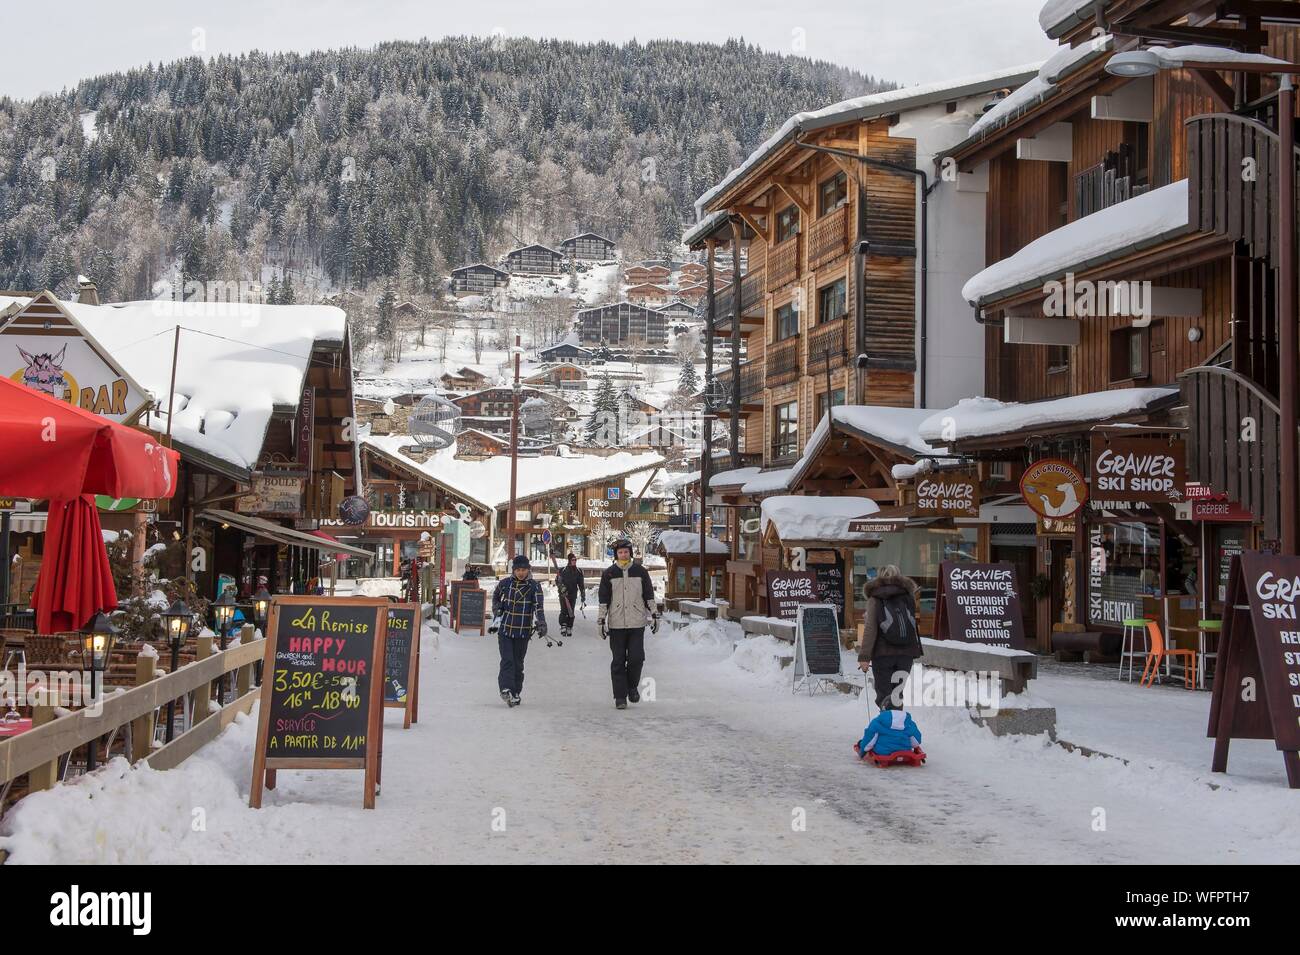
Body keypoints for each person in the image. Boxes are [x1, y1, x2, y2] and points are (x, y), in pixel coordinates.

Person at [597, 539, 658, 710]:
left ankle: (632, 687)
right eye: (620, 552)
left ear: (630, 553)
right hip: (616, 624)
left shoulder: (640, 572)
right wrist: (601, 621)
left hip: (637, 622)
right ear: (616, 554)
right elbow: (603, 600)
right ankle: (620, 697)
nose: (623, 555)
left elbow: (649, 595)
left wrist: (654, 614)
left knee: (636, 658)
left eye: (626, 552)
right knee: (618, 661)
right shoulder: (609, 574)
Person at [857, 565, 922, 710]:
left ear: (879, 577)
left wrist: (864, 657)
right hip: (906, 654)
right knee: (897, 695)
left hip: (883, 655)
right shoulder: (908, 596)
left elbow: (870, 629)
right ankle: (897, 728)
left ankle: (888, 729)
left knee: (884, 696)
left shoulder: (875, 598)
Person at [490, 555, 546, 707]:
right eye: (518, 570)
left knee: (518, 663)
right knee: (507, 660)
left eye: (524, 570)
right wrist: (497, 608)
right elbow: (495, 597)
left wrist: (541, 622)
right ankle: (506, 689)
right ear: (513, 570)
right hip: (505, 630)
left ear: (528, 570)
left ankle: (515, 692)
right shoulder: (505, 584)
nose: (521, 573)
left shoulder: (534, 587)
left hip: (523, 631)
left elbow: (538, 607)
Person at [854, 708, 923, 760]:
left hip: (883, 753)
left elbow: (869, 742)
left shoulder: (877, 722)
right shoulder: (909, 723)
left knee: (863, 742)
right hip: (905, 752)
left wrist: (862, 752)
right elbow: (916, 742)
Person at [556, 553, 586, 638]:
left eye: (575, 560)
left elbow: (581, 584)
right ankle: (563, 625)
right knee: (564, 610)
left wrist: (583, 594)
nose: (574, 561)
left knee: (571, 611)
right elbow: (557, 581)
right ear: (569, 560)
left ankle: (569, 626)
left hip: (573, 594)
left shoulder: (579, 571)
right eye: (573, 560)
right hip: (563, 594)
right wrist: (561, 588)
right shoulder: (562, 570)